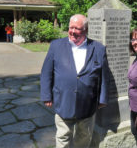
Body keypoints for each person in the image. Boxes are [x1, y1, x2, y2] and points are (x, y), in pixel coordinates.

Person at [40, 14, 110, 148]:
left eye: (77, 28)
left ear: (85, 30)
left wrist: (102, 99)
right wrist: (46, 95)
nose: (72, 31)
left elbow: (104, 76)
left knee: (84, 136)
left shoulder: (98, 49)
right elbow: (46, 72)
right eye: (70, 27)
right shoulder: (56, 46)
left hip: (88, 104)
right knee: (63, 136)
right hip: (63, 101)